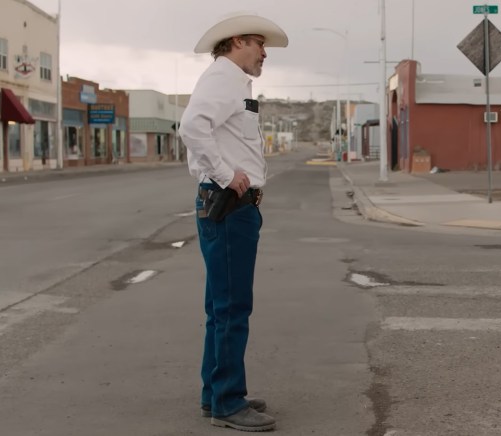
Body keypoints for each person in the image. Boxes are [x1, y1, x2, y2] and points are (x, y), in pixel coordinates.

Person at [178, 13, 289, 432]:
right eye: (259, 44)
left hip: (232, 205)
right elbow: (192, 127)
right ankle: (228, 401)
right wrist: (228, 175)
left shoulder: (230, 81)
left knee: (220, 307)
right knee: (232, 308)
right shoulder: (223, 78)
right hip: (229, 204)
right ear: (237, 41)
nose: (264, 53)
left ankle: (216, 393)